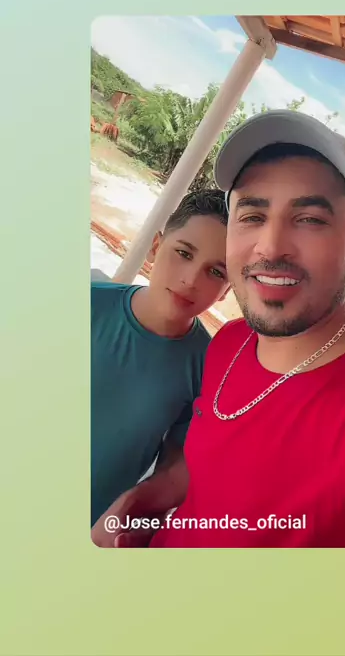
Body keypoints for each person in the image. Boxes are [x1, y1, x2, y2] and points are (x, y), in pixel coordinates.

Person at [92, 110, 345, 548]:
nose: (270, 247)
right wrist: (141, 502)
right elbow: (206, 460)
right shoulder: (229, 344)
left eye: (310, 219)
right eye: (252, 216)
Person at [90, 189, 229, 526]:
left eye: (216, 272)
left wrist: (133, 514)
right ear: (156, 246)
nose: (190, 279)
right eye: (183, 253)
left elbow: (175, 464)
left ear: (228, 290)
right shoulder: (86, 305)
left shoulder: (209, 370)